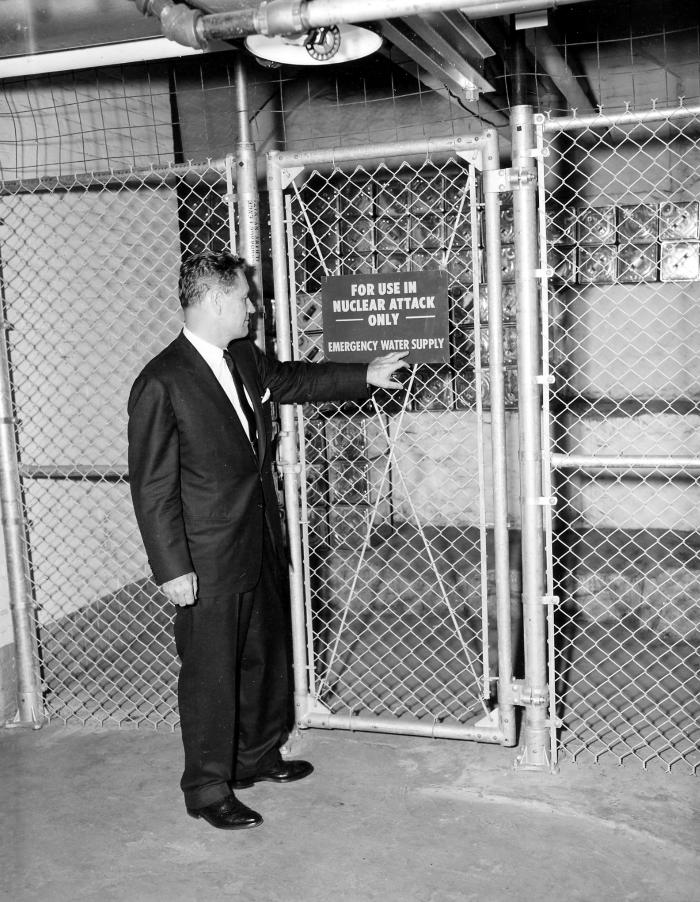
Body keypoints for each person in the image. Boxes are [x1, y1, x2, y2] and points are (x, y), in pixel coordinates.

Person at [127, 250, 407, 831]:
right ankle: (206, 787)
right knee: (210, 670)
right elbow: (152, 487)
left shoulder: (243, 358)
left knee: (263, 654)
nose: (253, 306)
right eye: (245, 297)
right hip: (204, 556)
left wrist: (365, 374)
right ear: (215, 301)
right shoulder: (162, 380)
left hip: (256, 539)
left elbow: (292, 379)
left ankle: (254, 757)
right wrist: (171, 568)